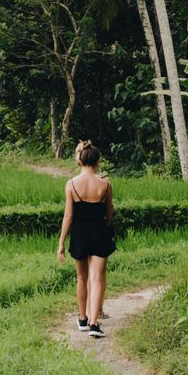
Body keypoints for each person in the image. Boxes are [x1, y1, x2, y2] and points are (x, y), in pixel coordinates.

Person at [57, 139, 114, 337]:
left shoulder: (71, 184)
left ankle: (82, 318)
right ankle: (94, 323)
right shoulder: (105, 185)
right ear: (97, 162)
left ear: (79, 161)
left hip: (79, 234)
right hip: (99, 233)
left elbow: (68, 216)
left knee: (81, 278)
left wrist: (61, 243)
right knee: (97, 279)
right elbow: (109, 214)